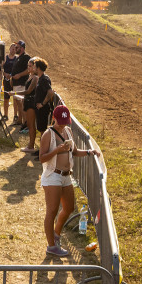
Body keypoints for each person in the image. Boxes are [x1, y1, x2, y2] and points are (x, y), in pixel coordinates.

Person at [39, 105, 100, 257]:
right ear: (54, 118)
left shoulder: (68, 131)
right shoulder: (48, 134)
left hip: (66, 175)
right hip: (53, 175)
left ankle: (56, 234)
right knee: (52, 211)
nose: (63, 124)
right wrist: (56, 151)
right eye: (61, 121)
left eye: (65, 121)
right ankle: (51, 246)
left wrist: (88, 152)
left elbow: (74, 151)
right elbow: (41, 158)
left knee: (69, 208)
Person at [21, 58, 59, 153]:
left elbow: (50, 92)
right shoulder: (41, 78)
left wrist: (42, 103)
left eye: (34, 66)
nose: (33, 68)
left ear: (38, 68)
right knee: (41, 130)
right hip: (39, 108)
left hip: (43, 109)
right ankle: (42, 150)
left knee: (43, 131)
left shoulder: (44, 79)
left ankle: (43, 151)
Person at [11, 40, 32, 125]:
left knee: (22, 104)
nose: (15, 49)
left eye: (17, 47)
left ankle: (25, 122)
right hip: (16, 83)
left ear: (22, 48)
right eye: (15, 47)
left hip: (22, 83)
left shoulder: (26, 57)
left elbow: (29, 70)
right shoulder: (18, 57)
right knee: (18, 103)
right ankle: (20, 120)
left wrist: (19, 75)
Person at [0, 43, 18, 121]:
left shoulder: (17, 59)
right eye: (12, 48)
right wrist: (5, 74)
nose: (13, 50)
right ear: (9, 49)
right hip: (6, 80)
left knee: (15, 98)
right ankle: (5, 115)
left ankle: (15, 115)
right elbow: (0, 68)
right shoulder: (5, 58)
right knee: (6, 98)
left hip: (14, 80)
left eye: (15, 49)